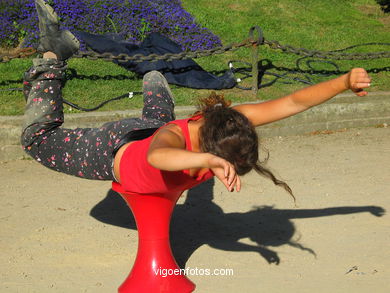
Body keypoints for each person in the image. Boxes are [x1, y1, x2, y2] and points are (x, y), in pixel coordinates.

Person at [22, 0, 371, 197]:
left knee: (157, 108)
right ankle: (52, 57)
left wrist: (342, 81)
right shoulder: (173, 140)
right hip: (109, 149)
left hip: (149, 127)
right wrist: (209, 159)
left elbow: (293, 103)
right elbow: (158, 156)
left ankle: (155, 80)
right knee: (36, 139)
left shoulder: (216, 124)